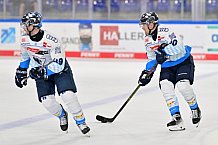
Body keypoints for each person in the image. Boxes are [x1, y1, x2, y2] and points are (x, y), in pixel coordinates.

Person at [15, 12, 90, 135]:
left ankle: (80, 121)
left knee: (68, 95)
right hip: (39, 70)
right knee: (47, 102)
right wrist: (21, 71)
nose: (23, 27)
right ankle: (62, 115)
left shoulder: (52, 40)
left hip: (59, 71)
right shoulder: (24, 39)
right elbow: (25, 56)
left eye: (26, 24)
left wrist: (41, 73)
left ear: (34, 25)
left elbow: (59, 64)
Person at [138, 12, 202, 131]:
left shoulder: (167, 31)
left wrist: (164, 51)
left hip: (183, 61)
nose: (142, 27)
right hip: (168, 65)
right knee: (165, 85)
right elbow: (152, 58)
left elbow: (179, 47)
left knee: (183, 86)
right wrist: (147, 72)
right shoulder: (147, 40)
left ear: (151, 24)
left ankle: (195, 109)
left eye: (144, 25)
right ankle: (176, 118)